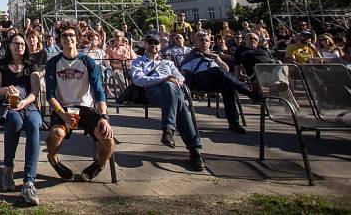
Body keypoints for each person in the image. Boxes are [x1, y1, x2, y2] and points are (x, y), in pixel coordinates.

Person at [45, 21, 115, 183]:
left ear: (77, 38)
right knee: (55, 135)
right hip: (64, 108)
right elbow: (50, 94)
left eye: (71, 35)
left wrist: (104, 117)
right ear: (59, 40)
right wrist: (62, 115)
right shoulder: (53, 63)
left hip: (86, 108)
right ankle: (53, 158)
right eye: (64, 36)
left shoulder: (88, 62)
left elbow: (98, 92)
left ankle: (99, 163)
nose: (68, 39)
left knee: (108, 140)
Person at [131, 35, 205, 171]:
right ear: (145, 44)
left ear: (160, 45)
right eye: (150, 42)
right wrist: (164, 79)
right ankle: (194, 150)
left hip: (171, 91)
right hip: (152, 90)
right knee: (177, 99)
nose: (154, 45)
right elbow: (138, 80)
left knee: (172, 92)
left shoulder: (168, 62)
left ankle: (168, 130)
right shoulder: (138, 62)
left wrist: (172, 80)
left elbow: (180, 77)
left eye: (156, 43)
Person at [0, 34, 42, 205]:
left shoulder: (31, 64)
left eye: (22, 43)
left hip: (28, 104)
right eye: (16, 43)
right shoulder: (0, 64)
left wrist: (25, 102)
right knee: (14, 120)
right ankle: (8, 168)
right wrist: (6, 89)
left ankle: (29, 182)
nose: (19, 46)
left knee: (35, 124)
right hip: (6, 105)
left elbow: (35, 91)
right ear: (10, 46)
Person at [180, 32, 257, 134]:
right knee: (216, 70)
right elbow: (184, 74)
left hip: (215, 81)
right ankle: (248, 92)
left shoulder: (214, 55)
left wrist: (217, 59)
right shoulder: (191, 56)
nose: (204, 42)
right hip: (198, 80)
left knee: (227, 86)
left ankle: (233, 123)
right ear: (195, 43)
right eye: (201, 40)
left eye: (206, 40)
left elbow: (226, 70)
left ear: (210, 43)